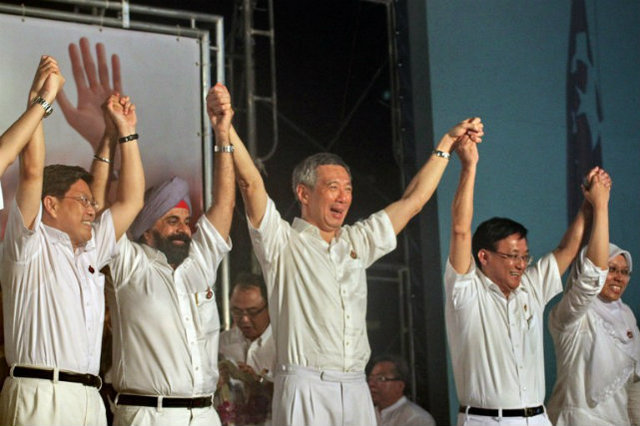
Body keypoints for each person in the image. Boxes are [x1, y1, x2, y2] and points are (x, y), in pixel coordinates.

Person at [207, 83, 483, 425]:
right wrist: (225, 126)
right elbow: (251, 185)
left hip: (354, 387)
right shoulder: (282, 242)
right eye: (333, 187)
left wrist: (446, 144)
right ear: (303, 193)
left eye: (348, 188)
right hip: (305, 386)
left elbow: (412, 202)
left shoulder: (358, 241)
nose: (343, 196)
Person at [0, 56, 144, 426]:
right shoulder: (28, 243)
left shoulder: (93, 247)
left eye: (92, 205)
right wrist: (41, 102)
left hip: (90, 401)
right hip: (40, 396)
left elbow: (131, 201)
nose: (91, 210)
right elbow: (32, 171)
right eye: (82, 201)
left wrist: (126, 132)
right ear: (50, 204)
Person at [103, 84, 235, 426]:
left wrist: (222, 132)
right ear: (147, 230)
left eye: (187, 221)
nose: (183, 229)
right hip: (149, 415)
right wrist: (122, 134)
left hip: (205, 415)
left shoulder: (200, 261)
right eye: (172, 221)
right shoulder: (128, 263)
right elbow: (110, 205)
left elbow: (224, 204)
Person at [445, 136, 596, 425]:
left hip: (538, 418)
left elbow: (567, 249)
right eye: (513, 256)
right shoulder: (465, 291)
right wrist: (469, 166)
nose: (521, 265)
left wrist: (588, 207)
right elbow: (460, 230)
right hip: (487, 420)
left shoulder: (530, 287)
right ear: (484, 256)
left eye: (525, 257)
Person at [547, 172, 639, 424]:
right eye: (611, 269)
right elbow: (590, 279)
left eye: (624, 272)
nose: (618, 278)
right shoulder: (569, 315)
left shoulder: (627, 315)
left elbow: (634, 385)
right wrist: (600, 206)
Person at [217, 273, 275, 425]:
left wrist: (259, 384)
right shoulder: (222, 342)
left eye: (252, 311)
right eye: (237, 311)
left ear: (270, 306)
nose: (244, 319)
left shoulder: (284, 344)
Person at [368, 355, 436, 426]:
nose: (371, 384)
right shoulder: (367, 414)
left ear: (400, 386)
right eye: (370, 378)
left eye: (381, 378)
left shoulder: (417, 419)